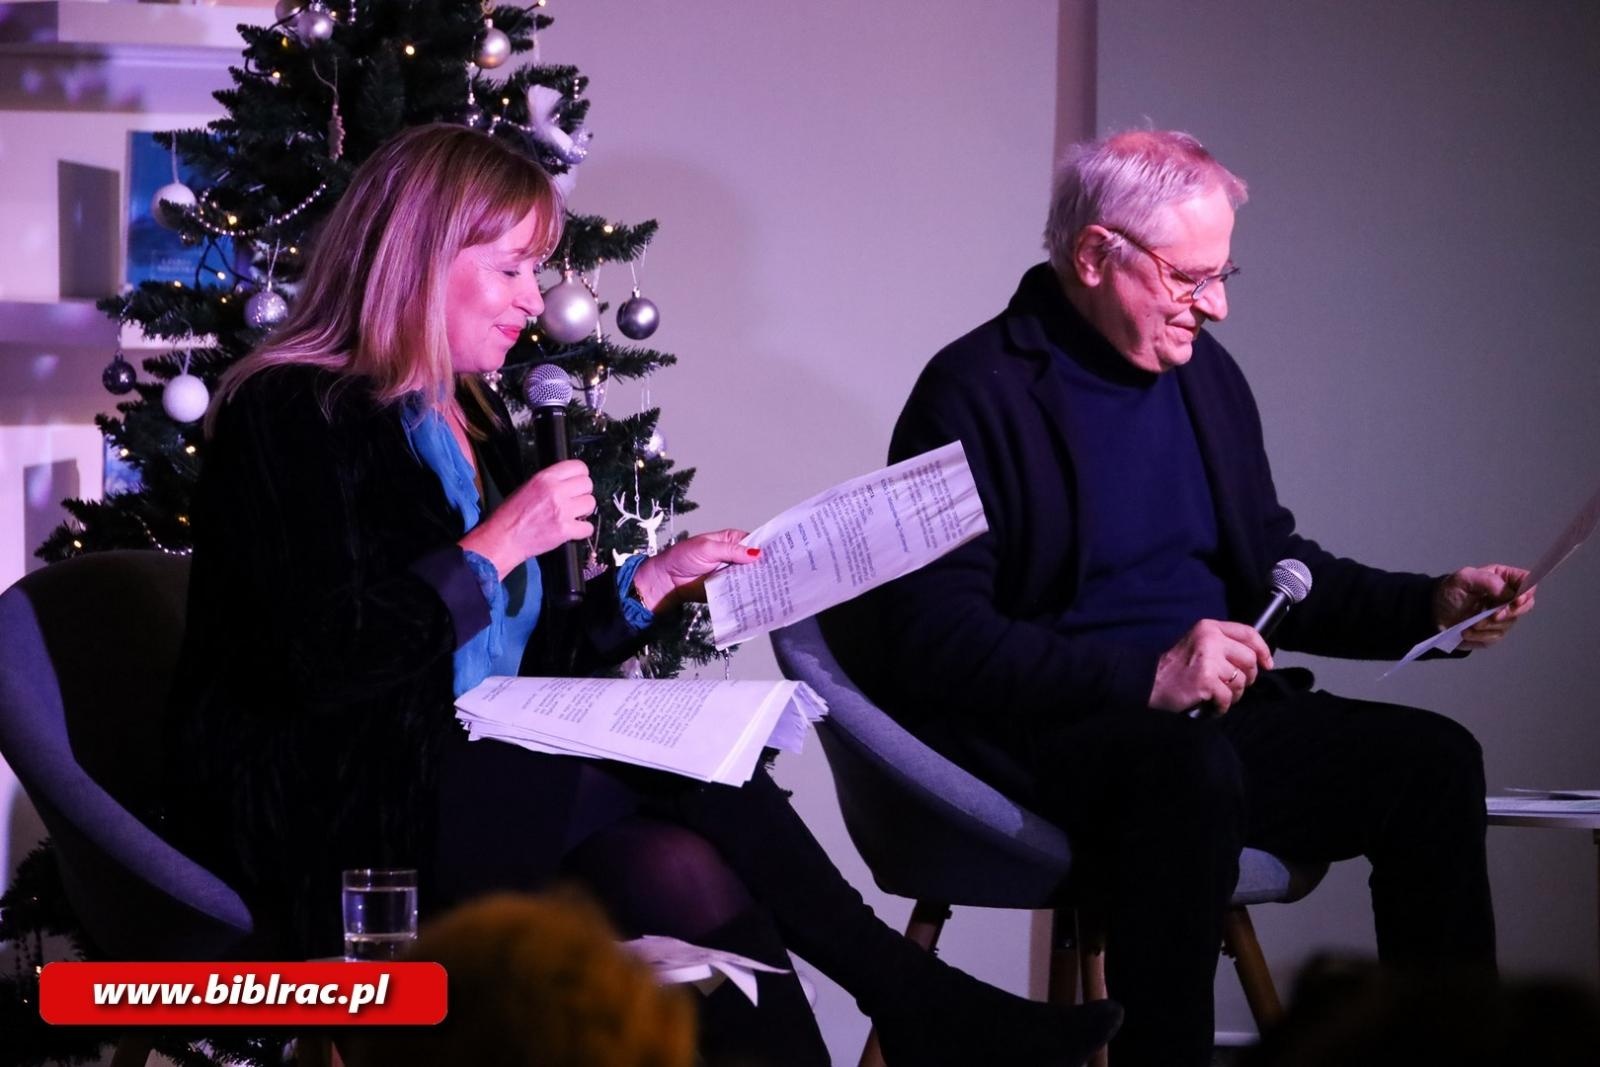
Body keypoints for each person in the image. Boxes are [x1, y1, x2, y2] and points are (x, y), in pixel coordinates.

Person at [164, 123, 1121, 1067]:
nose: (529, 302)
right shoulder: (295, 412)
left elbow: (520, 673)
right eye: (508, 271)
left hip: (459, 780)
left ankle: (910, 1008)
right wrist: (498, 543)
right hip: (334, 809)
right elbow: (328, 660)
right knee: (696, 785)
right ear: (416, 263)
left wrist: (649, 585)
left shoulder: (470, 417)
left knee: (679, 864)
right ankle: (919, 1003)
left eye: (534, 273)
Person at [824, 129, 1537, 1066]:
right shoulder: (970, 391)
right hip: (1056, 727)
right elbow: (935, 635)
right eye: (1190, 277)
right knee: (1188, 778)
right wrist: (1143, 676)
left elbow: (1275, 563)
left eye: (1223, 271)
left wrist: (1430, 605)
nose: (1220, 306)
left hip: (1211, 719)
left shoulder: (1206, 377)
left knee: (1435, 764)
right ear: (1093, 254)